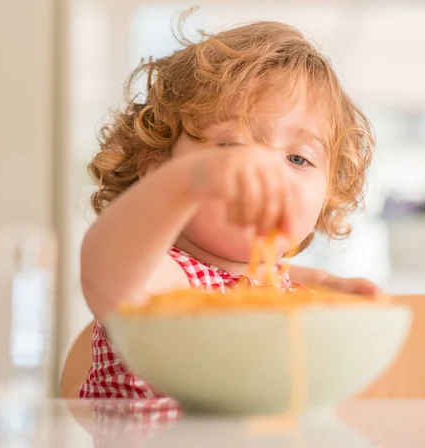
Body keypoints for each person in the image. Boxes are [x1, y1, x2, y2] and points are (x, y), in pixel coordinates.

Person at [78, 14, 380, 419]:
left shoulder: (282, 295)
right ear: (156, 168)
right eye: (231, 147)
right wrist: (188, 182)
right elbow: (108, 270)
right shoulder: (164, 284)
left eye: (298, 158)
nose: (268, 172)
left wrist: (319, 286)